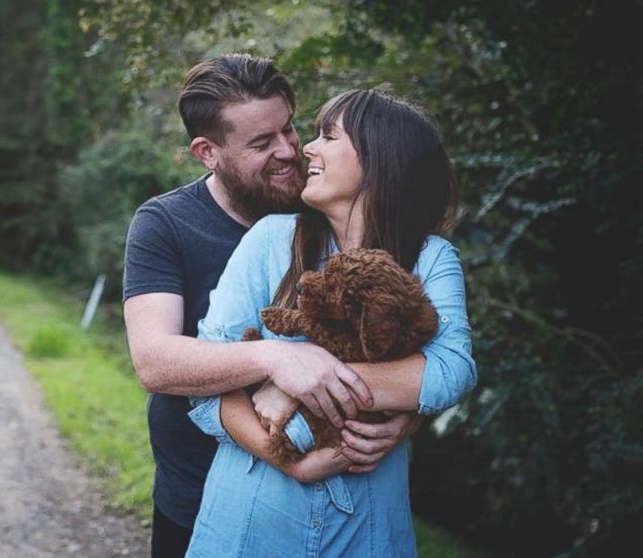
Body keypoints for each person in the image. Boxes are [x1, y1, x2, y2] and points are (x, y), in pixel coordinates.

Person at [123, 55, 427, 557]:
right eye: (262, 143)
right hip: (196, 493)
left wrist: (407, 416)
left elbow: (408, 336)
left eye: (289, 128)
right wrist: (278, 358)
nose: (289, 150)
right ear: (207, 152)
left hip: (334, 506)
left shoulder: (329, 205)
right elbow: (155, 362)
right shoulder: (165, 224)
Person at [184, 89, 477, 557]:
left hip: (368, 527)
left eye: (328, 136)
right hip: (252, 518)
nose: (308, 149)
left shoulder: (431, 259)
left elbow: (448, 373)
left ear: (380, 160)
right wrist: (288, 459)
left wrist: (297, 383)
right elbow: (205, 383)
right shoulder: (271, 240)